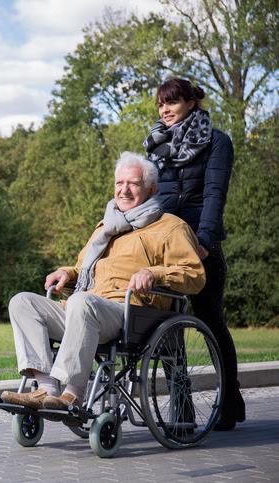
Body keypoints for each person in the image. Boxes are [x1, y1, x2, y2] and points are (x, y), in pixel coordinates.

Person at [0, 152, 205, 411]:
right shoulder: (106, 226)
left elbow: (194, 275)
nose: (124, 190)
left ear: (152, 189)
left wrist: (154, 273)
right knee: (22, 302)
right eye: (120, 183)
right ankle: (47, 388)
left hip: (127, 313)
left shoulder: (169, 227)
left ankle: (73, 393)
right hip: (83, 308)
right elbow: (82, 266)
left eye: (133, 183)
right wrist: (68, 273)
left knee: (81, 302)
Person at [144, 78, 244, 431]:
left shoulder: (217, 142)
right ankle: (181, 409)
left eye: (171, 102)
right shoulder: (156, 147)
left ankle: (229, 400)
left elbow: (215, 195)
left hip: (202, 246)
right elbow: (150, 202)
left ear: (190, 102)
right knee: (168, 326)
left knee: (211, 321)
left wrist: (203, 240)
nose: (165, 110)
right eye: (160, 104)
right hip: (167, 248)